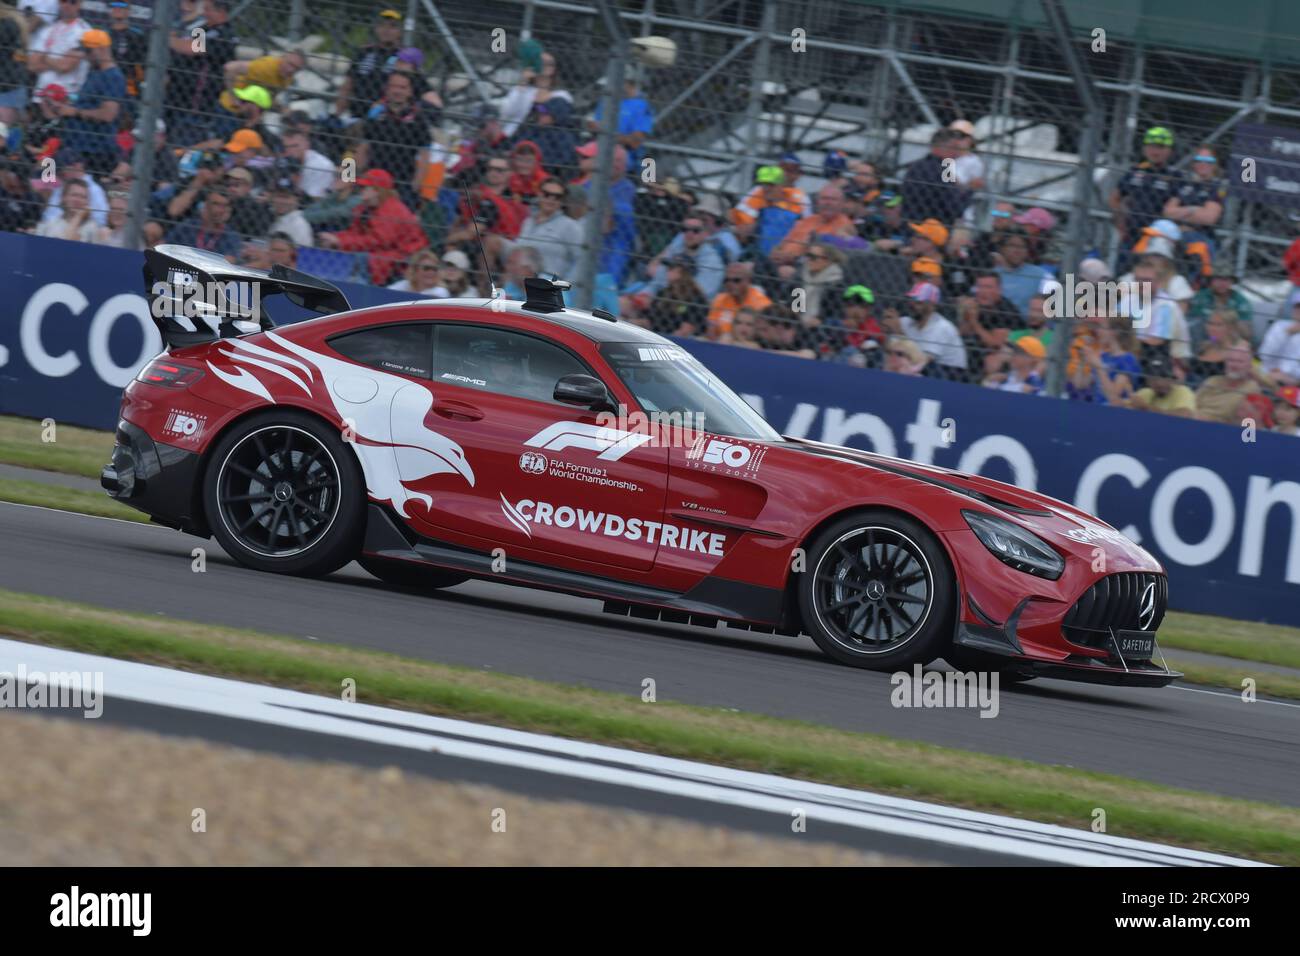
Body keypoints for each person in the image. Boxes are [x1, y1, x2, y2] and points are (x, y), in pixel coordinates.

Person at [317, 168, 428, 286]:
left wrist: (340, 242)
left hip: (401, 259)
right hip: (381, 253)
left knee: (358, 260)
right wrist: (335, 238)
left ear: (377, 191)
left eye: (365, 188)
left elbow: (376, 241)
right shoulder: (367, 207)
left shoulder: (392, 209)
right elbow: (354, 233)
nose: (361, 192)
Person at [55, 29, 123, 176]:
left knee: (62, 180)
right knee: (45, 175)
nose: (85, 55)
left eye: (88, 50)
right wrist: (67, 106)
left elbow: (108, 114)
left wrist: (75, 112)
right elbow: (87, 103)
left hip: (95, 151)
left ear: (102, 49)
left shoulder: (113, 76)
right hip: (76, 143)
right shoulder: (94, 72)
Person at [1109, 126, 1184, 250]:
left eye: (1160, 147)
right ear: (1144, 148)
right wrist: (1120, 222)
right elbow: (1114, 198)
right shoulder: (1135, 171)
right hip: (1131, 234)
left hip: (1160, 236)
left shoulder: (1176, 176)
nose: (1155, 151)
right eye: (1151, 146)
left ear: (1169, 150)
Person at [334, 8, 402, 119]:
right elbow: (348, 84)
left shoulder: (402, 56)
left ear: (400, 32)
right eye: (382, 25)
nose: (386, 30)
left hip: (386, 116)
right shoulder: (364, 52)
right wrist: (337, 115)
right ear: (376, 29)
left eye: (392, 26)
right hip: (356, 111)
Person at [513, 175, 582, 279]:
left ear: (562, 200)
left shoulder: (570, 226)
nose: (551, 199)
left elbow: (582, 259)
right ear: (539, 194)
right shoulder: (527, 222)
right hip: (520, 283)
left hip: (549, 286)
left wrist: (569, 284)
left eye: (557, 196)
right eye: (547, 194)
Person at [900, 127, 971, 225]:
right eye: (954, 148)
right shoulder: (943, 169)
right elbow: (954, 209)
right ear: (941, 147)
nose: (957, 154)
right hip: (933, 228)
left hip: (912, 222)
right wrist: (969, 191)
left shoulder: (917, 166)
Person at [770, 183, 854, 264]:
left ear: (842, 203)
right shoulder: (808, 220)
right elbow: (784, 242)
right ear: (817, 202)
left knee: (785, 271)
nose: (828, 203)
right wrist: (777, 252)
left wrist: (792, 257)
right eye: (824, 198)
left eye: (833, 199)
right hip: (781, 260)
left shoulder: (844, 225)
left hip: (805, 265)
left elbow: (833, 257)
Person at [1067, 314, 1141, 405]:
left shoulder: (1128, 359)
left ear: (1114, 332)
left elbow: (1114, 398)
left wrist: (1099, 367)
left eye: (1102, 328)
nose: (1098, 331)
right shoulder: (1104, 357)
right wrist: (1082, 361)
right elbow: (1079, 384)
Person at [26, 0, 88, 100]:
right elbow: (32, 65)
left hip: (66, 98)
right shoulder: (48, 29)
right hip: (40, 95)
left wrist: (44, 56)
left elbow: (64, 66)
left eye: (73, 2)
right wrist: (58, 62)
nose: (67, 5)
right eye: (63, 1)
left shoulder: (84, 31)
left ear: (80, 4)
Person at [1187, 257, 1253, 350]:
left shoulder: (1241, 301)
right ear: (1211, 280)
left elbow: (1247, 334)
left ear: (1232, 281)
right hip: (1203, 342)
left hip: (1232, 346)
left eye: (1226, 279)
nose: (1222, 283)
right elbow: (1193, 325)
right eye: (1218, 278)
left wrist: (1229, 318)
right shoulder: (1201, 297)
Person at [1195, 343, 1271, 424]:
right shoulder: (1212, 381)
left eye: (1239, 361)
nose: (1234, 365)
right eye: (1231, 360)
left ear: (1249, 366)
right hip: (1194, 420)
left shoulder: (1251, 388)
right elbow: (1193, 402)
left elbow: (1229, 413)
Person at [901, 282, 965, 375]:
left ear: (932, 306)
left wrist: (899, 333)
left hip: (950, 374)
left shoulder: (942, 327)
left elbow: (920, 363)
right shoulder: (905, 322)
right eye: (911, 300)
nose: (912, 305)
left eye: (919, 302)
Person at [164, 189, 241, 260]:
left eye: (224, 206)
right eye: (216, 204)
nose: (220, 210)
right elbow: (165, 246)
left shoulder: (231, 235)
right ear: (206, 205)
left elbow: (229, 261)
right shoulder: (189, 226)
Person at [707, 261, 771, 340]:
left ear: (748, 281)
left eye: (736, 280)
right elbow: (711, 332)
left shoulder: (762, 304)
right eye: (727, 280)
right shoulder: (719, 299)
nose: (730, 284)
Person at [993, 229, 1048, 316]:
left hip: (1028, 327)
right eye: (1012, 245)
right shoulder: (992, 274)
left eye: (1022, 247)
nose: (1017, 251)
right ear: (1002, 248)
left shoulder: (1039, 274)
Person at [1128, 352, 1196, 417]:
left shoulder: (1183, 391)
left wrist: (1146, 408)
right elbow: (1125, 406)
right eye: (1153, 378)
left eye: (1163, 377)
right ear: (1148, 381)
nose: (1159, 383)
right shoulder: (1145, 393)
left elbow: (1184, 415)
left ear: (1171, 378)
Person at [35, 177, 97, 241]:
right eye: (74, 195)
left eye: (83, 197)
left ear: (87, 202)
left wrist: (78, 216)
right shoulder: (51, 224)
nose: (78, 200)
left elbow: (69, 242)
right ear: (63, 197)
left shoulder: (91, 228)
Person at [1257, 302, 1300, 388]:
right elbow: (1263, 355)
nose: (1298, 311)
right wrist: (1286, 333)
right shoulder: (1279, 326)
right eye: (1297, 307)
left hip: (1294, 382)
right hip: (1267, 376)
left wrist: (1285, 375)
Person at [0, 0, 28, 124]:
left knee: (3, 136)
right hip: (9, 88)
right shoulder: (14, 21)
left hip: (6, 90)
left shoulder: (8, 24)